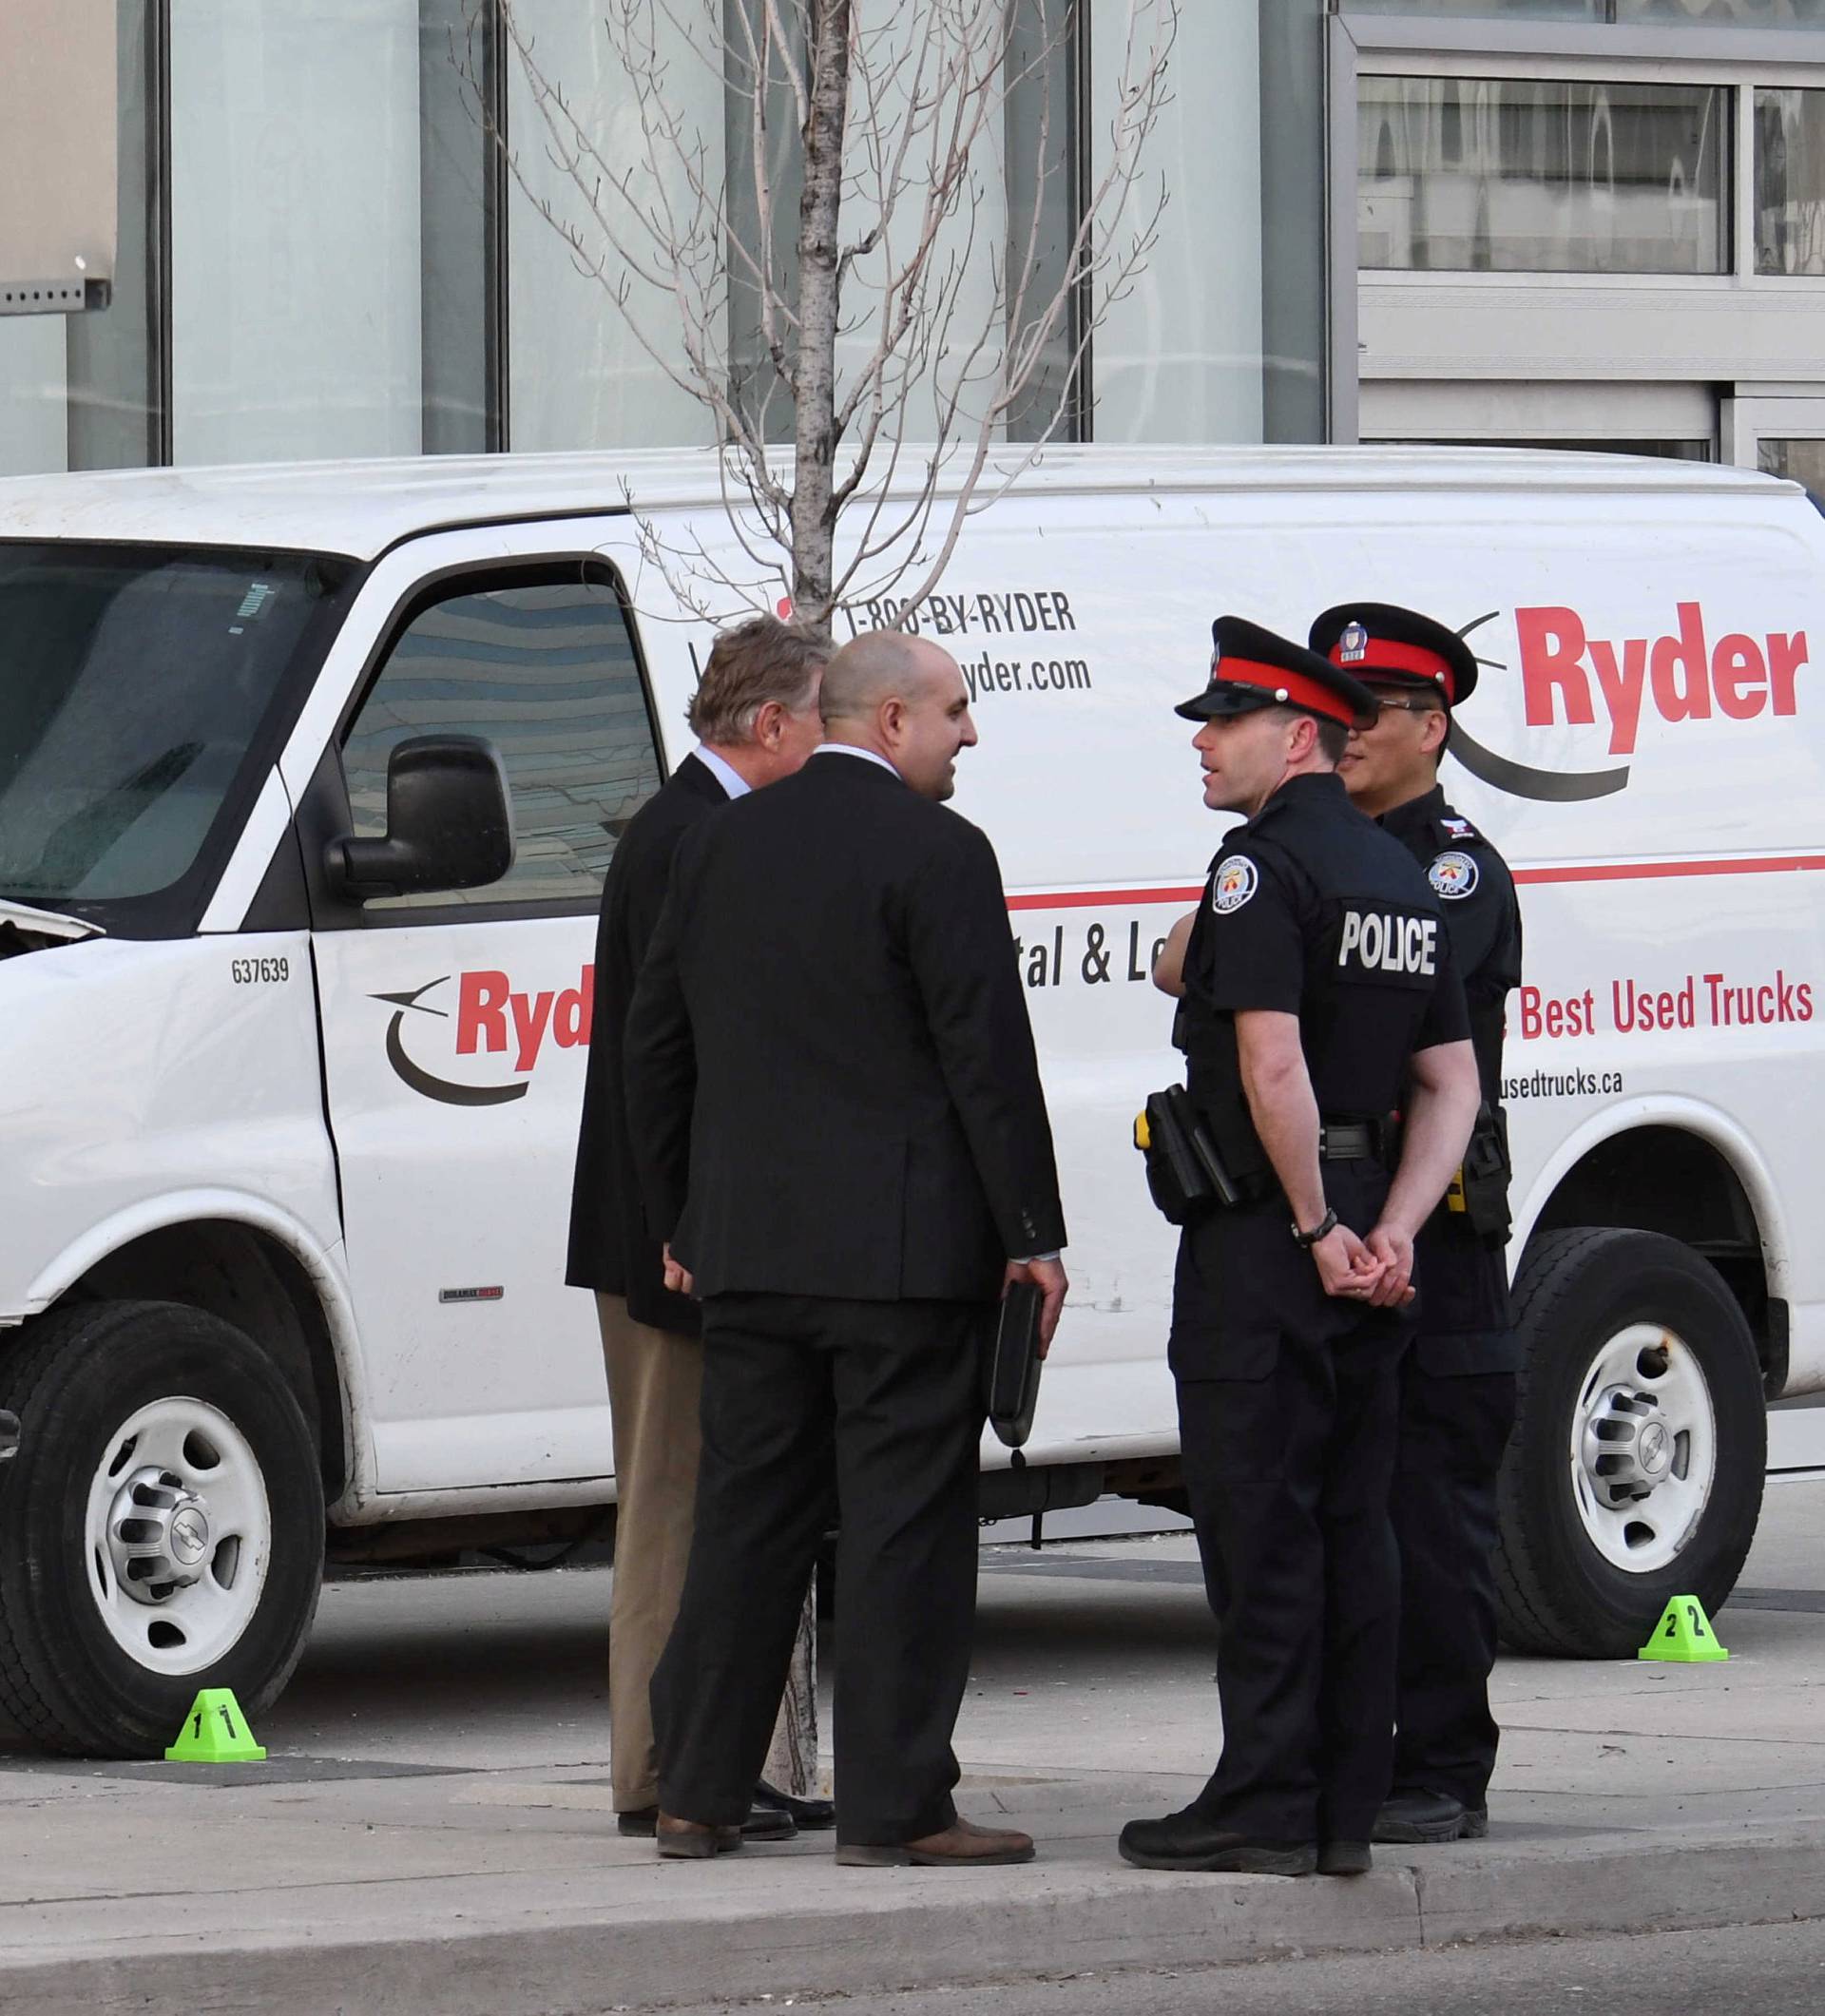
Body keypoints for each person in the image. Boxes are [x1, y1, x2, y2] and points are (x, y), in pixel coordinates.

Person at [624, 628, 1068, 1868]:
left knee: (746, 1519)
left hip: (751, 1252)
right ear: (887, 722)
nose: (968, 734)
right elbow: (987, 1056)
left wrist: (683, 1217)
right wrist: (1033, 1234)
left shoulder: (716, 842)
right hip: (903, 1259)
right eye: (955, 712)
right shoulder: (941, 851)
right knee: (903, 1527)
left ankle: (699, 1791)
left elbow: (652, 1046)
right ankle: (895, 1805)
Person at [1122, 616, 1481, 1880]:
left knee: (1263, 1523)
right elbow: (1450, 1084)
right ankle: (1342, 1804)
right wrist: (1391, 1224)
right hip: (1373, 1229)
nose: (1204, 745)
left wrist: (1321, 1228)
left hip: (1271, 1246)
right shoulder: (1396, 875)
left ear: (1297, 735)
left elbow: (1268, 1056)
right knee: (1354, 1525)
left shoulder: (1259, 870)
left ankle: (1264, 1797)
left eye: (1223, 723)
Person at [566, 612, 835, 1843]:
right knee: (672, 1513)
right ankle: (670, 1766)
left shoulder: (677, 824)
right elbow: (665, 1057)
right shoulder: (701, 838)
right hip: (670, 1241)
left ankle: (689, 1758)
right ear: (770, 723)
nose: (829, 745)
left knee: (681, 1505)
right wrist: (688, 1228)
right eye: (821, 719)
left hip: (661, 1230)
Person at [1311, 601, 1525, 1848]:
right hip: (1349, 1224)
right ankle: (1366, 1742)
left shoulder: (1451, 868)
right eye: (1328, 713)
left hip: (1435, 1234)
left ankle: (1442, 1760)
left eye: (1369, 714)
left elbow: (1376, 1012)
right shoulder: (1331, 851)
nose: (1342, 733)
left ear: (1433, 726)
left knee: (1430, 1509)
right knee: (1352, 1498)